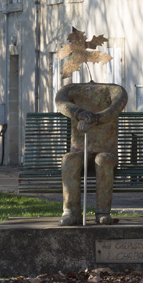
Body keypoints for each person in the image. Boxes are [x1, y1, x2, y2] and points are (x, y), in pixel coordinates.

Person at [55, 83, 127, 225]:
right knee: (69, 160)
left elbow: (116, 106)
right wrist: (79, 114)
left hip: (106, 149)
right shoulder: (70, 89)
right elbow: (60, 102)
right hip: (81, 149)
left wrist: (96, 119)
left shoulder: (114, 90)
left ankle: (103, 212)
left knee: (103, 160)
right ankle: (71, 211)